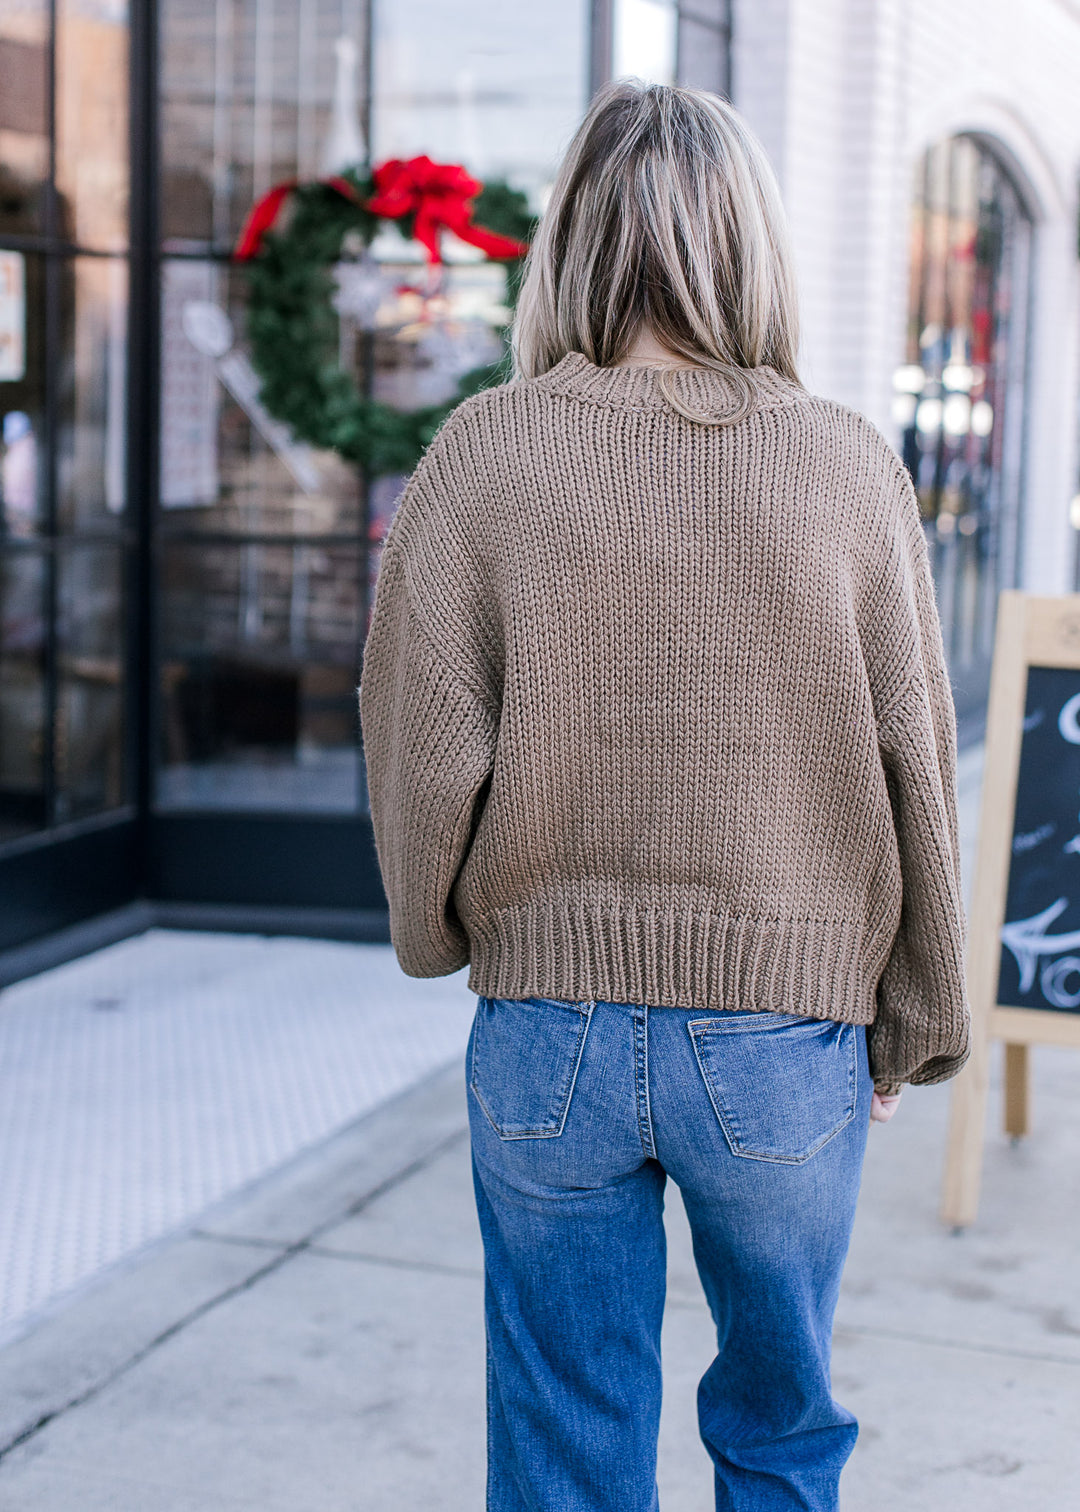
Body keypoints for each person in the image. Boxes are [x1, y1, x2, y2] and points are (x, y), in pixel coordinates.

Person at [360, 80, 969, 1512]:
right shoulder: (845, 467)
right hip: (783, 1037)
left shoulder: (483, 455)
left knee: (565, 1431)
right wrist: (919, 1019)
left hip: (545, 1036)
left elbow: (418, 739)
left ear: (567, 240)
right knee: (778, 1425)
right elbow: (917, 768)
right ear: (752, 247)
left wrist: (443, 933)